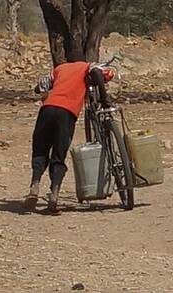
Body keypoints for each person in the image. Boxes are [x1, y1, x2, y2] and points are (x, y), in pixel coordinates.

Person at [25, 58, 114, 214]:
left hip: (47, 109)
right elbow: (99, 74)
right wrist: (105, 99)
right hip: (67, 113)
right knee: (59, 154)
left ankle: (35, 185)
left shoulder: (60, 69)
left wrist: (42, 89)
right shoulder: (87, 67)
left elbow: (40, 87)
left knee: (40, 150)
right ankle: (54, 194)